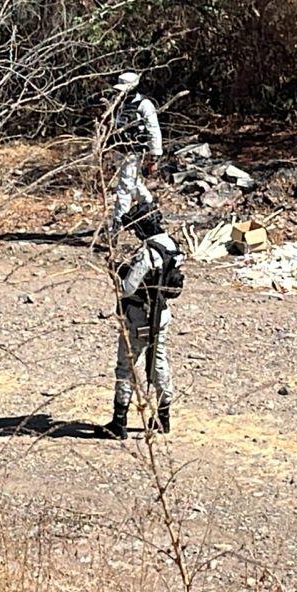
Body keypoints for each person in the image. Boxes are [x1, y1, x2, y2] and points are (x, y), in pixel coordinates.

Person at [105, 203, 184, 439]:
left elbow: (127, 289)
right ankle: (163, 416)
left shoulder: (148, 253)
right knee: (159, 361)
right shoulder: (172, 246)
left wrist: (115, 271)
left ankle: (119, 422)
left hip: (140, 315)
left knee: (127, 365)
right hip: (161, 314)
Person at [109, 71, 162, 234]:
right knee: (132, 183)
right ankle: (149, 202)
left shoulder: (144, 105)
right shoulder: (118, 103)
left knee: (124, 187)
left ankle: (117, 222)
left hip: (134, 152)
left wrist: (155, 157)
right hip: (120, 149)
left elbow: (154, 130)